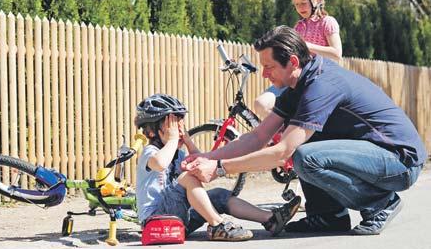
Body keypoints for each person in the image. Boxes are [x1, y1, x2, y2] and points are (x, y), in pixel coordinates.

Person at [183, 26, 427, 236]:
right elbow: (258, 137)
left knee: (303, 155)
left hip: (399, 160)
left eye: (269, 67)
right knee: (304, 147)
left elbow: (282, 152)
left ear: (293, 62)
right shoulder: (295, 88)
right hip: (375, 156)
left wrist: (221, 168)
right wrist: (207, 158)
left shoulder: (320, 85)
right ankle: (328, 216)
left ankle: (380, 202)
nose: (265, 74)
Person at [135, 93, 301, 241]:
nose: (177, 131)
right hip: (157, 220)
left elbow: (197, 167)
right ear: (152, 133)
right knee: (186, 178)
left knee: (218, 195)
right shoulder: (150, 152)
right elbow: (159, 164)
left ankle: (270, 219)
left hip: (180, 220)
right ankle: (217, 225)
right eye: (171, 126)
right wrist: (172, 140)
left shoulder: (178, 154)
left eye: (179, 125)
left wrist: (188, 141)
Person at [254, 0, 342, 118]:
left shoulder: (327, 22)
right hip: (297, 80)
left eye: (303, 3)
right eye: (296, 4)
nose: (300, 8)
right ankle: (282, 135)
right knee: (261, 103)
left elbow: (337, 54)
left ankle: (291, 136)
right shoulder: (298, 27)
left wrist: (305, 45)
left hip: (318, 81)